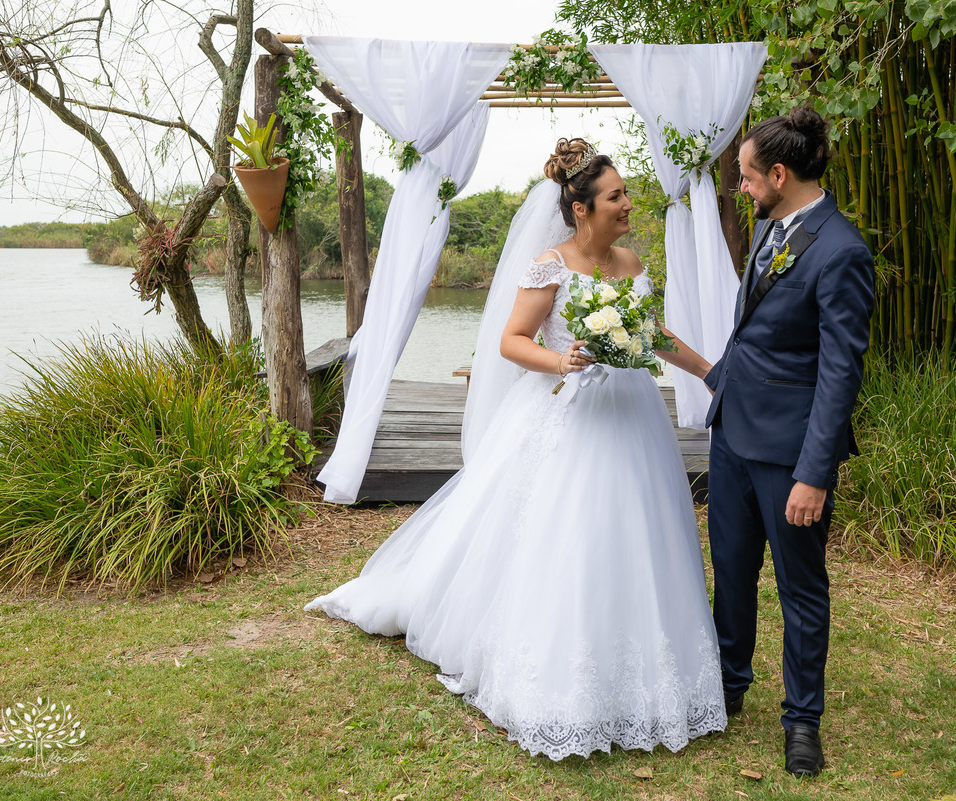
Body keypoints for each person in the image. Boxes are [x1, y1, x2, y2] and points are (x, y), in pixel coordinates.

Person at [305, 138, 726, 761]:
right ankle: (555, 670)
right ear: (581, 208)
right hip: (568, 415)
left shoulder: (633, 265)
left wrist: (712, 374)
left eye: (627, 194)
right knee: (565, 535)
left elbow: (652, 332)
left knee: (637, 531)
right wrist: (562, 358)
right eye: (616, 196)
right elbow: (510, 340)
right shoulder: (548, 266)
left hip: (631, 417)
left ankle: (644, 669)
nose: (629, 204)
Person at [702, 107, 875, 777]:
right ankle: (727, 683)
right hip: (733, 435)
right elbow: (752, 335)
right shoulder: (773, 225)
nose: (741, 187)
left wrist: (815, 472)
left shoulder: (842, 250)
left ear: (779, 173)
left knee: (801, 589)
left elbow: (839, 373)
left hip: (790, 454)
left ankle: (802, 720)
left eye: (746, 176)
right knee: (733, 568)